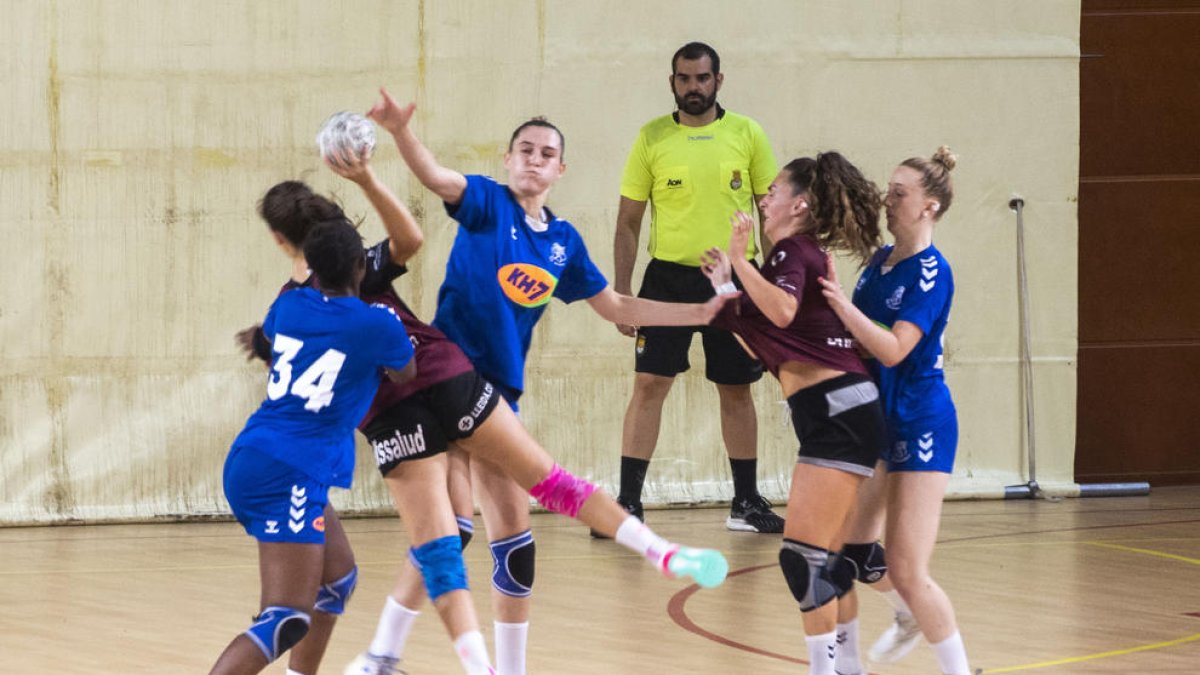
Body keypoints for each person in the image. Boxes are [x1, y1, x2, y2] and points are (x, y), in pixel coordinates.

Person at [340, 90, 736, 675]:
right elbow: (435, 176)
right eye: (525, 149)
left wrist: (699, 314)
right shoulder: (486, 202)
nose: (534, 159)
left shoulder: (563, 241)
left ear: (560, 169)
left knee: (511, 544)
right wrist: (400, 133)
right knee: (458, 527)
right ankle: (384, 652)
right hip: (446, 380)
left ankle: (455, 662)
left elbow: (615, 305)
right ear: (508, 159)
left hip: (497, 394)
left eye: (546, 153)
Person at [699, 152, 888, 675]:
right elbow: (762, 349)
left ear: (800, 204)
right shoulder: (791, 259)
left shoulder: (791, 252)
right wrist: (727, 288)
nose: (764, 199)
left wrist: (738, 261)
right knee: (831, 560)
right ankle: (849, 667)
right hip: (841, 410)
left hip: (836, 411)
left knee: (802, 558)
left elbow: (780, 312)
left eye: (774, 191)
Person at [210, 219, 417, 675]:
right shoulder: (375, 324)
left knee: (337, 581)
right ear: (361, 266)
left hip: (260, 455)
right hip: (288, 470)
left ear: (314, 270)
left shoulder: (290, 305)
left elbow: (273, 336)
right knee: (285, 619)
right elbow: (406, 373)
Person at [612, 41, 783, 534]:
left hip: (734, 280)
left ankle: (745, 502)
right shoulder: (651, 138)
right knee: (649, 385)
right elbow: (628, 222)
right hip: (667, 280)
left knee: (736, 388)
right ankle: (628, 504)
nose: (693, 87)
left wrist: (775, 285)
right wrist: (622, 293)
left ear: (718, 81)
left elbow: (771, 216)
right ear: (672, 82)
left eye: (702, 78)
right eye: (684, 79)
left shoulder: (747, 134)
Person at [818, 147, 973, 675]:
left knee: (908, 569)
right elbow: (858, 343)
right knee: (848, 554)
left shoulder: (931, 273)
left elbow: (893, 349)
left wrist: (840, 304)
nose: (888, 200)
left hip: (920, 421)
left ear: (929, 206)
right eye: (888, 191)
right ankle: (880, 639)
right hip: (876, 418)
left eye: (899, 194)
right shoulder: (879, 263)